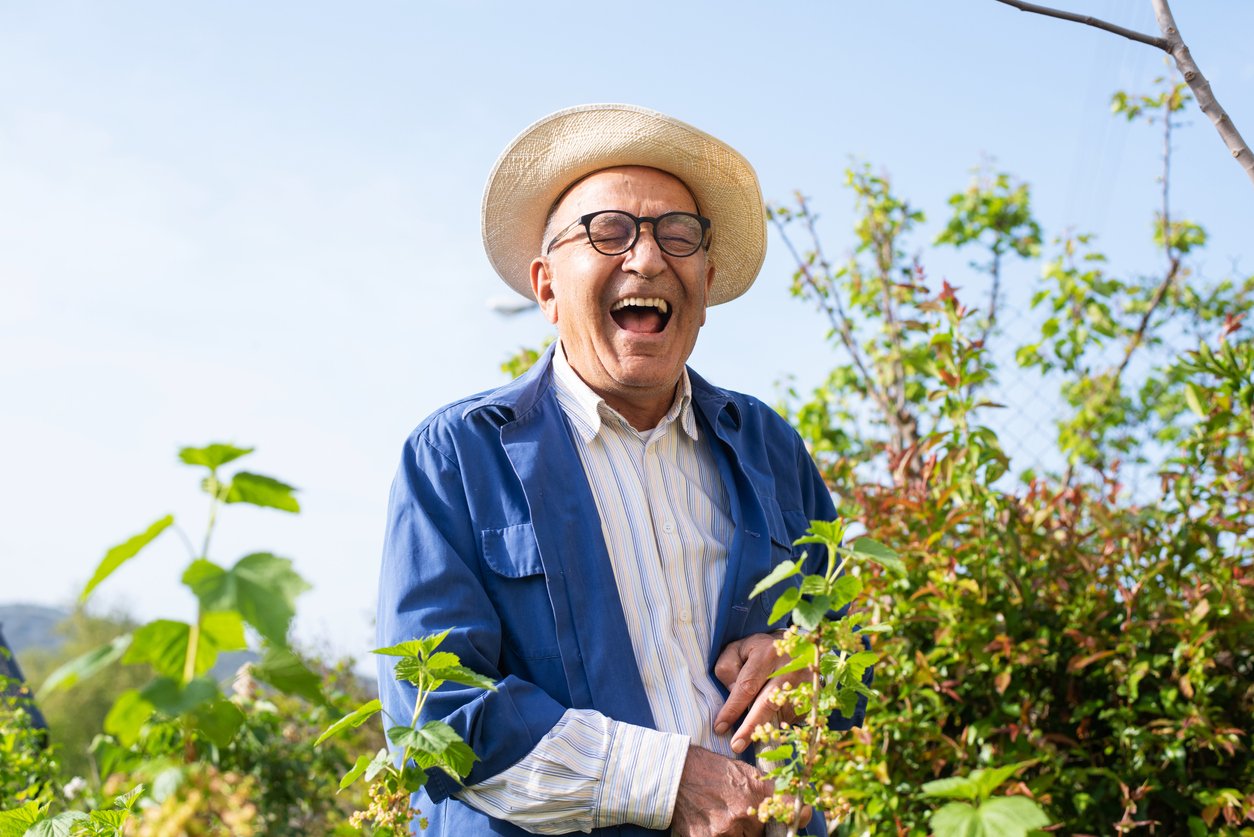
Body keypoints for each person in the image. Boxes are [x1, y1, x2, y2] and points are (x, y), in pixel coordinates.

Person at [377, 103, 864, 836]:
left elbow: (852, 650)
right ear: (545, 286)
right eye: (609, 231)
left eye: (679, 235)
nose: (647, 258)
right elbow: (438, 720)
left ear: (704, 279)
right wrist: (674, 781)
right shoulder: (457, 456)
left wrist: (810, 662)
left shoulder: (769, 446)